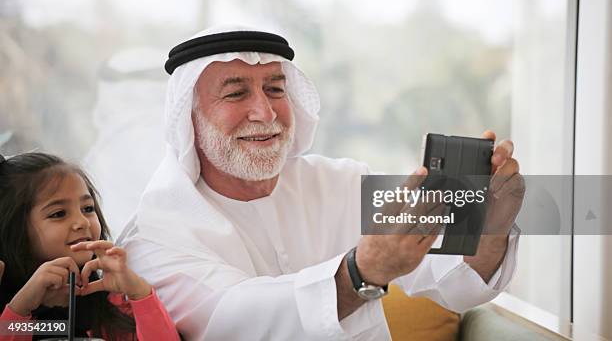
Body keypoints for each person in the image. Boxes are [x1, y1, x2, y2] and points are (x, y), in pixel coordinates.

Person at [118, 25, 525, 340]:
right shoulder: (155, 232)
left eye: (275, 89)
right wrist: (361, 272)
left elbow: (452, 284)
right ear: (189, 118)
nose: (264, 111)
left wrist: (492, 229)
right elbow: (234, 321)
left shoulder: (343, 182)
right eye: (235, 93)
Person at [0, 152, 180, 341]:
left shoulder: (111, 304)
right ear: (14, 228)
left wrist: (140, 293)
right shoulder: (13, 310)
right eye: (59, 213)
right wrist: (20, 308)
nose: (82, 222)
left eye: (88, 208)